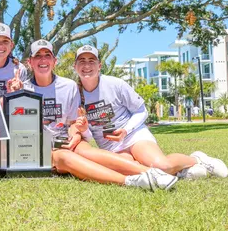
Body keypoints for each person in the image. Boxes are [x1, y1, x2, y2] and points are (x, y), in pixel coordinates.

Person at [19, 39, 178, 191]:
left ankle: (154, 174)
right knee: (64, 158)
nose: (43, 60)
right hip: (40, 145)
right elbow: (18, 127)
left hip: (66, 139)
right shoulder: (21, 89)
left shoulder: (69, 86)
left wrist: (75, 135)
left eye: (47, 55)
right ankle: (131, 180)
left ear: (55, 61)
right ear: (30, 62)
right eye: (37, 56)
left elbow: (74, 121)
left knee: (84, 150)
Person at [70, 45, 228, 180]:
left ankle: (197, 159)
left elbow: (141, 110)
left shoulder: (115, 84)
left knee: (161, 166)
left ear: (99, 65)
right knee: (132, 171)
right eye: (82, 61)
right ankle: (182, 172)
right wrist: (84, 130)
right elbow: (89, 136)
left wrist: (126, 130)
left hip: (134, 136)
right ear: (75, 66)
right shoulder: (74, 94)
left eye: (92, 61)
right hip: (110, 147)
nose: (87, 65)